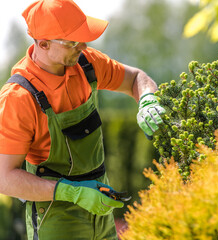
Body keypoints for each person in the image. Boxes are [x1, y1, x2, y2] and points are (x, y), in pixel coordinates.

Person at [0, 0, 165, 239]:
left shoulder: (86, 63)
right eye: (73, 42)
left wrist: (148, 100)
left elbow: (135, 78)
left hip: (102, 202)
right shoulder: (18, 98)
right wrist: (73, 193)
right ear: (43, 44)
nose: (84, 45)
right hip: (56, 215)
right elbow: (5, 178)